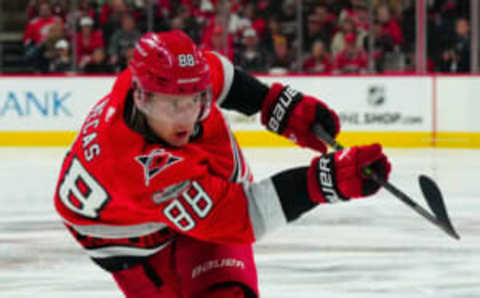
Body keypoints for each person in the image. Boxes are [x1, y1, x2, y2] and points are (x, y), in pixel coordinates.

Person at [53, 30, 391, 298]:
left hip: (191, 197)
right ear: (142, 98)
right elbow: (242, 216)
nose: (187, 116)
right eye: (173, 105)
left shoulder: (169, 78)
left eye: (196, 100)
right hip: (129, 240)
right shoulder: (141, 169)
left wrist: (275, 105)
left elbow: (221, 74)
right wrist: (326, 181)